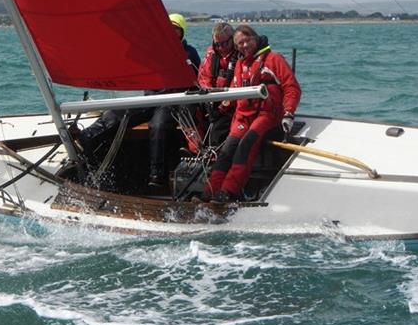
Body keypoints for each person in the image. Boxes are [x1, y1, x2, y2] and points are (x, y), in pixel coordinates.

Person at [77, 13, 200, 187]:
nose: (172, 33)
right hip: (150, 99)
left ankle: (157, 176)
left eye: (176, 30)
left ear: (182, 33)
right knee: (119, 112)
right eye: (169, 29)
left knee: (157, 126)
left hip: (171, 101)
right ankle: (87, 137)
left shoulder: (190, 53)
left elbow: (196, 80)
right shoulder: (155, 50)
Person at [203, 24, 301, 203]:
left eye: (247, 41)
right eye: (240, 43)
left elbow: (291, 87)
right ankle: (210, 191)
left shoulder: (273, 59)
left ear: (255, 38)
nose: (244, 46)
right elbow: (233, 93)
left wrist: (288, 113)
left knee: (246, 145)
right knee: (228, 149)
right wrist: (219, 110)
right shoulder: (240, 64)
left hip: (266, 115)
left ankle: (228, 190)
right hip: (242, 116)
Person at [197, 22, 239, 147]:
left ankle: (216, 157)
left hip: (232, 104)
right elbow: (204, 77)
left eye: (224, 43)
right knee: (189, 110)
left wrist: (222, 106)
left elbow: (238, 84)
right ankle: (197, 148)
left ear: (232, 39)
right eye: (217, 44)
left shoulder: (241, 54)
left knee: (218, 129)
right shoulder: (211, 54)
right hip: (213, 99)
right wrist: (209, 99)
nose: (221, 48)